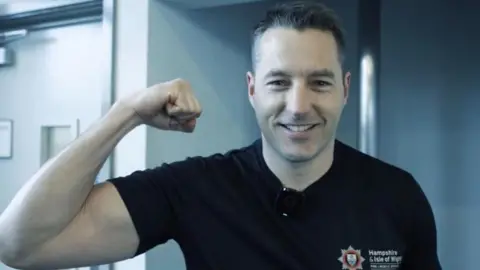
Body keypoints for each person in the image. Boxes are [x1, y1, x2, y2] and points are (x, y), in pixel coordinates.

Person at [0, 1, 442, 269]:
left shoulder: (397, 195)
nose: (298, 105)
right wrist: (125, 113)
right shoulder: (196, 189)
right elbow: (21, 245)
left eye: (319, 82)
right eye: (279, 82)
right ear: (252, 89)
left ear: (345, 90)